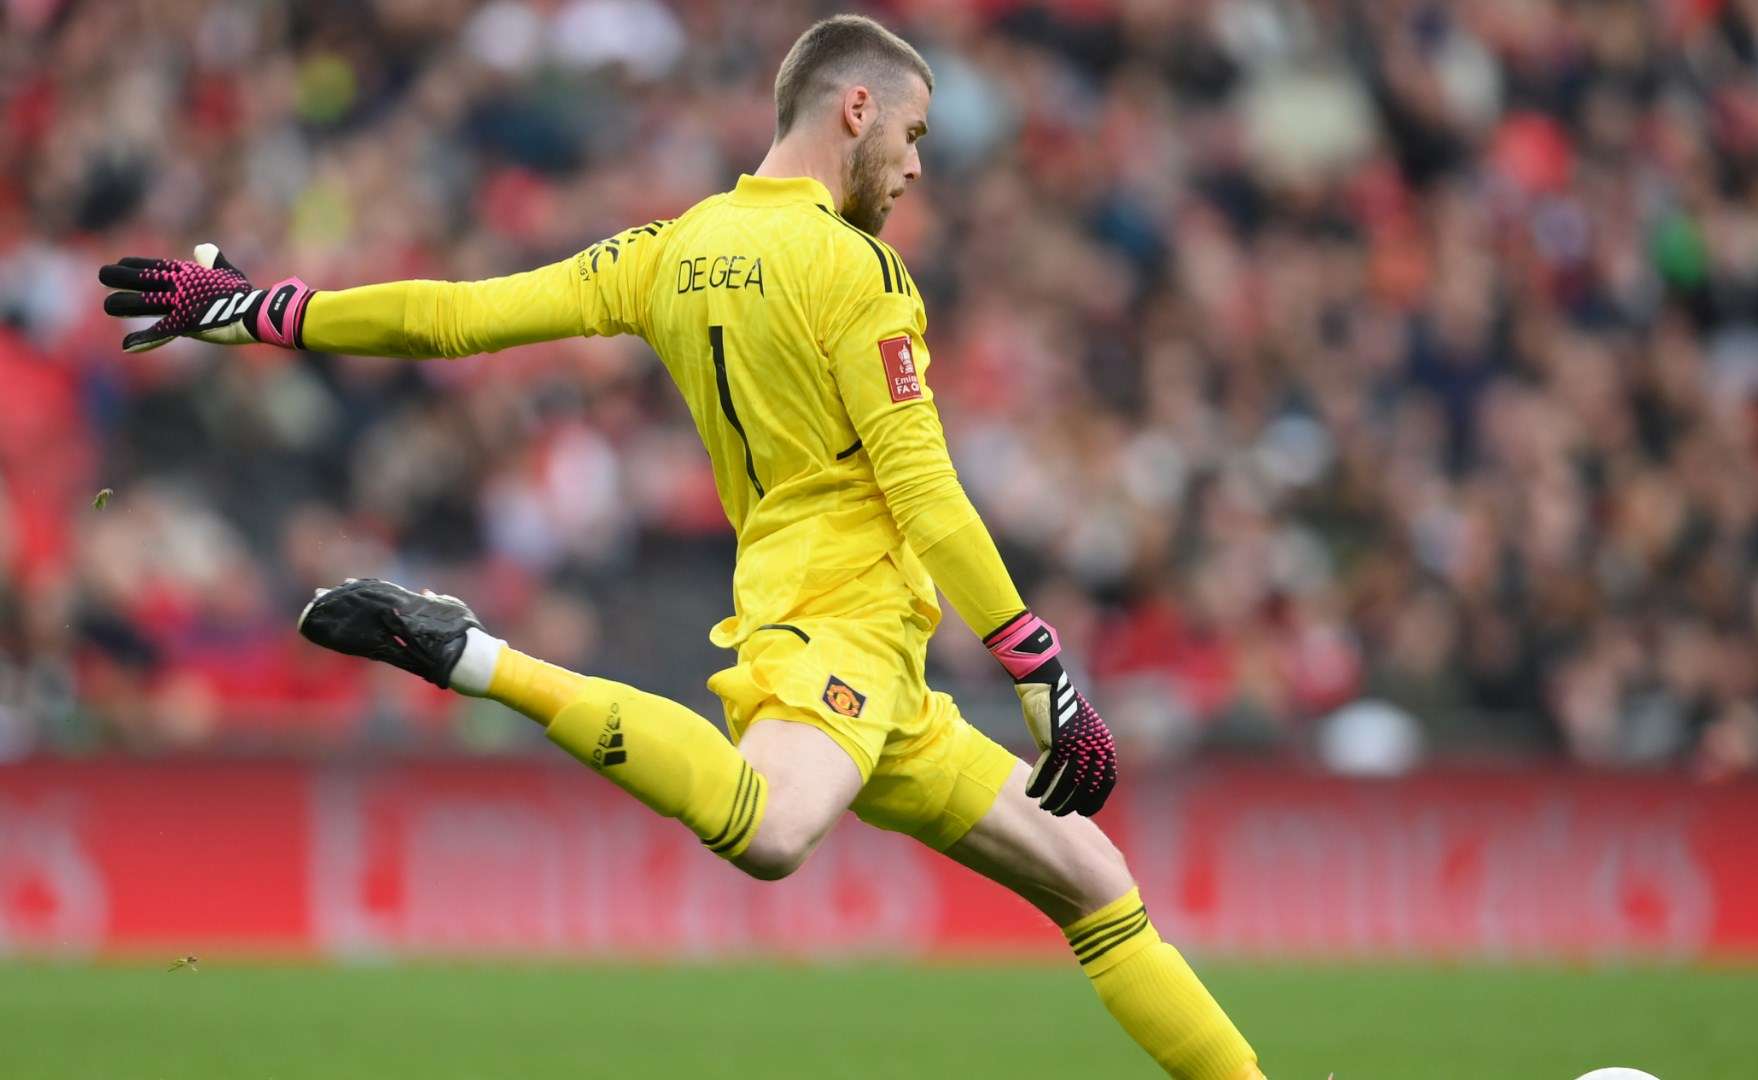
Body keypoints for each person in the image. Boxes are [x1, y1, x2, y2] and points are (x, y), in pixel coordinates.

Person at [99, 14, 1261, 1078]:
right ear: (853, 109)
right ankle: (475, 658)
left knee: (1099, 887)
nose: (914, 168)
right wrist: (1044, 671)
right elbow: (930, 495)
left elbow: (457, 317)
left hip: (870, 654)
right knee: (772, 829)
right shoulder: (856, 272)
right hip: (836, 628)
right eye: (910, 135)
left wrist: (255, 309)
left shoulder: (671, 248)